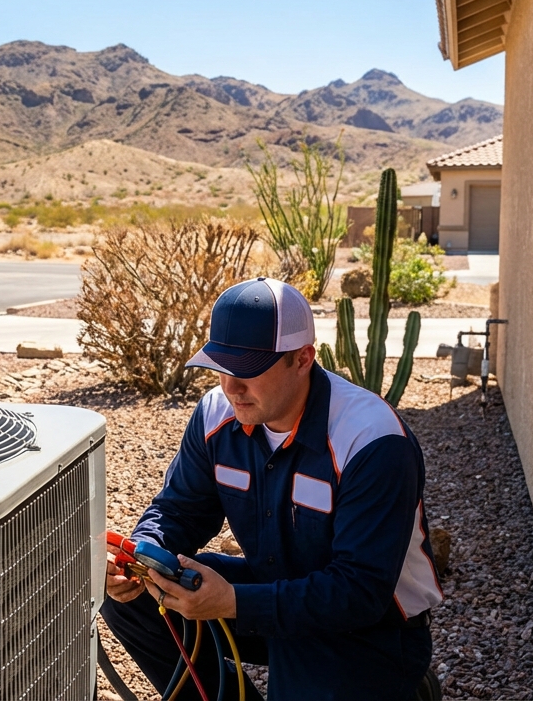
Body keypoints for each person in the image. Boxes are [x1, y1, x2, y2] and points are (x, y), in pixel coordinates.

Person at [101, 277, 442, 701]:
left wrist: (235, 603)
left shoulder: (371, 440)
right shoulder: (215, 415)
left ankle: (406, 689)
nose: (230, 387)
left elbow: (359, 592)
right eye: (221, 367)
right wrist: (143, 553)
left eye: (247, 370)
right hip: (269, 590)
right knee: (133, 600)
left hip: (366, 630)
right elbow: (181, 510)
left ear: (302, 358)